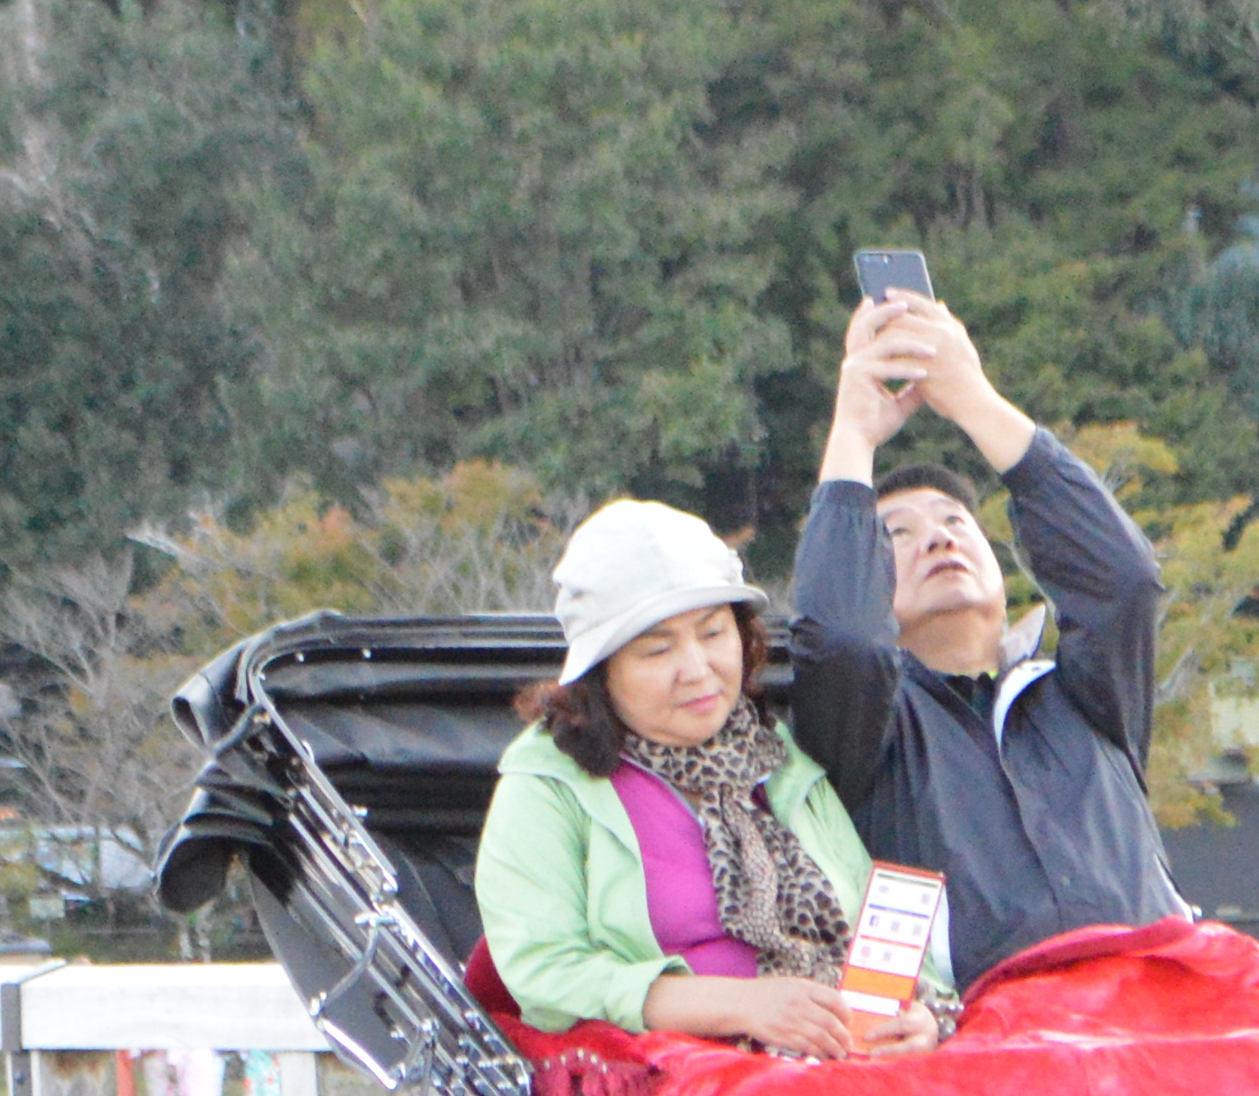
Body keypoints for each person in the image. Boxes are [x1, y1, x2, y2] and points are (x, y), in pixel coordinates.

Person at [786, 291, 1182, 990]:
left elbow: (1125, 583)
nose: (936, 536)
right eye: (896, 535)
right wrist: (853, 433)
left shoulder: (1085, 700)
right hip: (967, 1040)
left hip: (1148, 1016)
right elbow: (841, 637)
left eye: (953, 521)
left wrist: (973, 400)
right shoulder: (866, 736)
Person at [482, 500, 932, 1056]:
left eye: (713, 633)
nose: (698, 669)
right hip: (676, 1072)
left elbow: (876, 916)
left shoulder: (775, 754)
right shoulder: (546, 783)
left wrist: (919, 1012)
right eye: (657, 649)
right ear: (601, 676)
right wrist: (743, 1005)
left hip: (838, 1054)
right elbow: (545, 973)